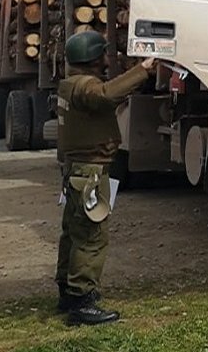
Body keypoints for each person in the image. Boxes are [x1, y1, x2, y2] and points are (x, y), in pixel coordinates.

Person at [55, 31, 156, 326]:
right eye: (102, 55)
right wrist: (143, 70)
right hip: (90, 172)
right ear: (92, 58)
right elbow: (106, 94)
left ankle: (68, 292)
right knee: (91, 237)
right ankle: (82, 303)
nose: (105, 60)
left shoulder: (69, 84)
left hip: (76, 171)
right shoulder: (86, 87)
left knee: (73, 234)